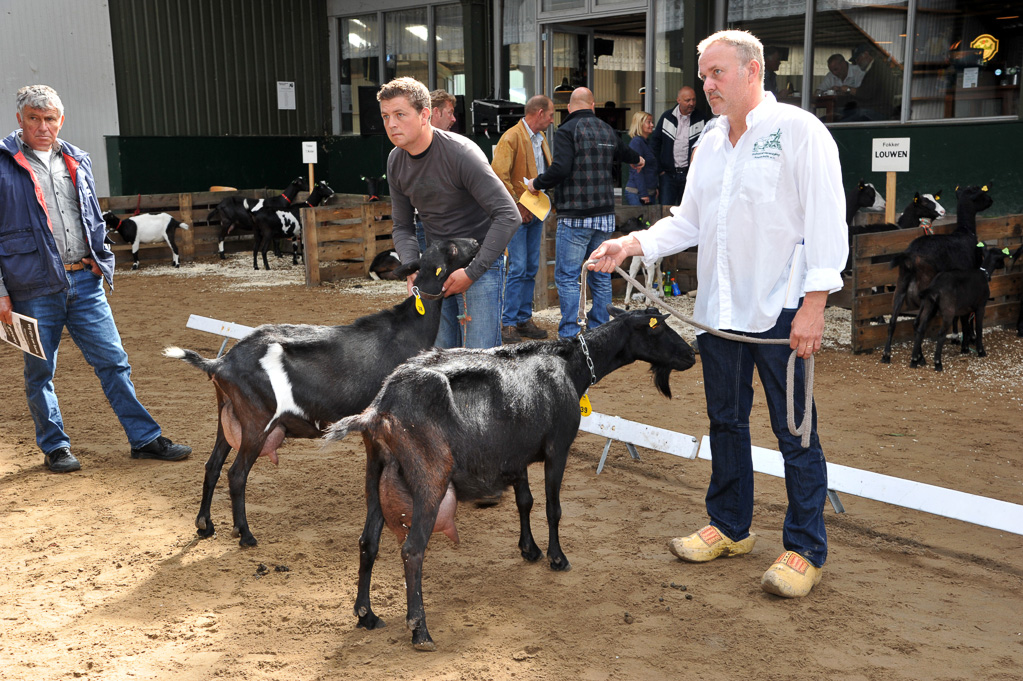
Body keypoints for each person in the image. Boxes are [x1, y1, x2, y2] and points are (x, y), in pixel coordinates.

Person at [588, 30, 848, 598]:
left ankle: (804, 547)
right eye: (703, 75)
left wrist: (815, 302)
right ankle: (730, 525)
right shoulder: (708, 144)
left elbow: (828, 222)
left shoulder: (800, 133)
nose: (706, 85)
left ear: (754, 71)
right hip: (719, 310)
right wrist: (630, 246)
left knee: (794, 431)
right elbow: (689, 222)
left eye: (717, 73)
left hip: (781, 312)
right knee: (725, 421)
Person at [0, 85, 192, 473]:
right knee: (40, 371)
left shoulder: (76, 159)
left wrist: (100, 257)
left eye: (50, 118)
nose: (43, 126)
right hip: (32, 288)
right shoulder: (3, 164)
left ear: (61, 120)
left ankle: (144, 439)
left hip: (84, 283)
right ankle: (55, 447)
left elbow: (91, 215)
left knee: (114, 362)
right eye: (34, 118)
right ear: (19, 120)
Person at [379, 77, 519, 349]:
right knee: (440, 357)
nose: (391, 124)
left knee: (479, 361)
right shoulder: (396, 160)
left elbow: (508, 214)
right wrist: (412, 268)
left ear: (424, 115)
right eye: (385, 116)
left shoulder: (461, 153)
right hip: (435, 266)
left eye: (399, 114)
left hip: (480, 263)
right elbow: (402, 226)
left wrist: (472, 272)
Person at [526, 87, 642, 339]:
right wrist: (639, 160)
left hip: (575, 217)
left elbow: (560, 169)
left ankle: (571, 332)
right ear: (593, 105)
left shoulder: (566, 130)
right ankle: (600, 330)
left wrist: (536, 183)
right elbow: (627, 153)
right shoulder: (606, 130)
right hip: (604, 216)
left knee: (568, 276)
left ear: (568, 108)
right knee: (600, 274)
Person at [491, 95, 554, 344]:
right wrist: (518, 205)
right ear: (539, 113)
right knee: (518, 266)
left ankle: (522, 319)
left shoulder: (539, 138)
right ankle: (508, 323)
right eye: (550, 115)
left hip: (535, 210)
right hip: (520, 212)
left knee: (529, 266)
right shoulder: (511, 137)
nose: (551, 120)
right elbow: (498, 175)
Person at [650, 86, 707, 206]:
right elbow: (655, 144)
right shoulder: (666, 117)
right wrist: (660, 170)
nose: (691, 103)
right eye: (687, 100)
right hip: (668, 175)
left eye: (694, 100)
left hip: (690, 175)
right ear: (678, 100)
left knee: (688, 212)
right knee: (665, 210)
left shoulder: (701, 118)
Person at [842, 44, 899, 121]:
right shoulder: (875, 68)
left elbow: (865, 93)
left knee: (843, 122)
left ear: (866, 54)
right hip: (875, 110)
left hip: (877, 112)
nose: (857, 62)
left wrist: (848, 89)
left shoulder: (877, 69)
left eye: (858, 59)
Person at [623, 111, 658, 206]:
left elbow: (651, 168)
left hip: (649, 192)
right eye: (649, 122)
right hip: (637, 194)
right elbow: (637, 170)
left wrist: (654, 188)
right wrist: (643, 194)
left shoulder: (646, 142)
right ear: (640, 124)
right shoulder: (636, 143)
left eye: (652, 122)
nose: (652, 125)